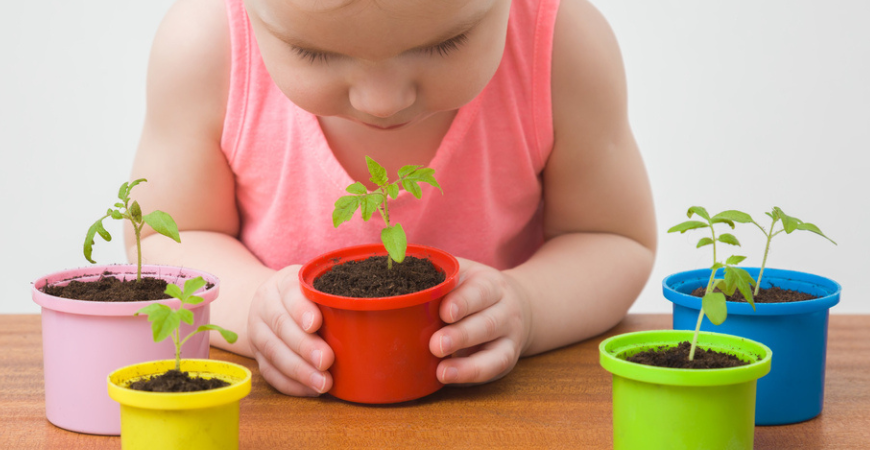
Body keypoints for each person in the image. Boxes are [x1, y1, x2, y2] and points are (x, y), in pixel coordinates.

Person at [125, 0, 656, 397]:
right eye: (314, 52)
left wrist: (529, 307)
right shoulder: (204, 48)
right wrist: (254, 309)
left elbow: (611, 239)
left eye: (447, 44)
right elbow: (168, 236)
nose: (381, 101)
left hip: (495, 412)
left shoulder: (561, 45)